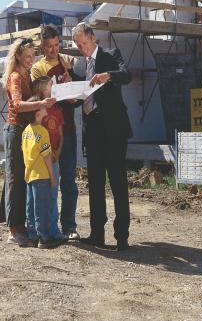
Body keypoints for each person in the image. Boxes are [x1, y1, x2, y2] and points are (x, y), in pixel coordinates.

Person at [71, 22, 133, 251]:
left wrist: (109, 76)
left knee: (118, 182)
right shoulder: (79, 66)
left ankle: (122, 236)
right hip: (93, 130)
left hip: (114, 130)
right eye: (78, 45)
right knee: (95, 183)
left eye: (84, 43)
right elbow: (79, 97)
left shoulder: (110, 55)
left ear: (93, 39)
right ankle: (97, 233)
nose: (82, 48)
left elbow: (127, 75)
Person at [0, 38, 55, 246]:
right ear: (19, 56)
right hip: (15, 129)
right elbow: (17, 104)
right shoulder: (15, 76)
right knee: (15, 179)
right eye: (28, 56)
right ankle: (14, 230)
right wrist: (41, 102)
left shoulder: (26, 75)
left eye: (33, 56)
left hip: (24, 131)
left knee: (22, 178)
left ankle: (20, 225)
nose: (31, 60)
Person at [31, 25, 81, 240]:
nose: (54, 50)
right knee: (48, 181)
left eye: (57, 45)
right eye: (49, 46)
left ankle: (69, 226)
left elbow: (78, 97)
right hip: (46, 132)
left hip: (67, 128)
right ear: (42, 46)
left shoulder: (69, 62)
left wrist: (73, 94)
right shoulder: (38, 68)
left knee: (69, 180)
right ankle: (48, 228)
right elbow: (39, 98)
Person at [21, 96, 65, 249]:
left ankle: (32, 236)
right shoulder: (43, 132)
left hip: (30, 174)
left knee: (31, 206)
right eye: (41, 105)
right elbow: (47, 157)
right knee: (42, 207)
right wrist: (53, 177)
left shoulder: (26, 131)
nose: (44, 105)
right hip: (42, 175)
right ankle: (44, 238)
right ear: (38, 113)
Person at [32, 76, 65, 240]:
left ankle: (53, 230)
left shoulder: (57, 110)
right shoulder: (37, 110)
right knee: (39, 197)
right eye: (50, 85)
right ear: (41, 89)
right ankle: (39, 232)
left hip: (54, 159)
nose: (53, 87)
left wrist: (57, 151)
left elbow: (60, 133)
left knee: (53, 194)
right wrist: (48, 152)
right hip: (41, 160)